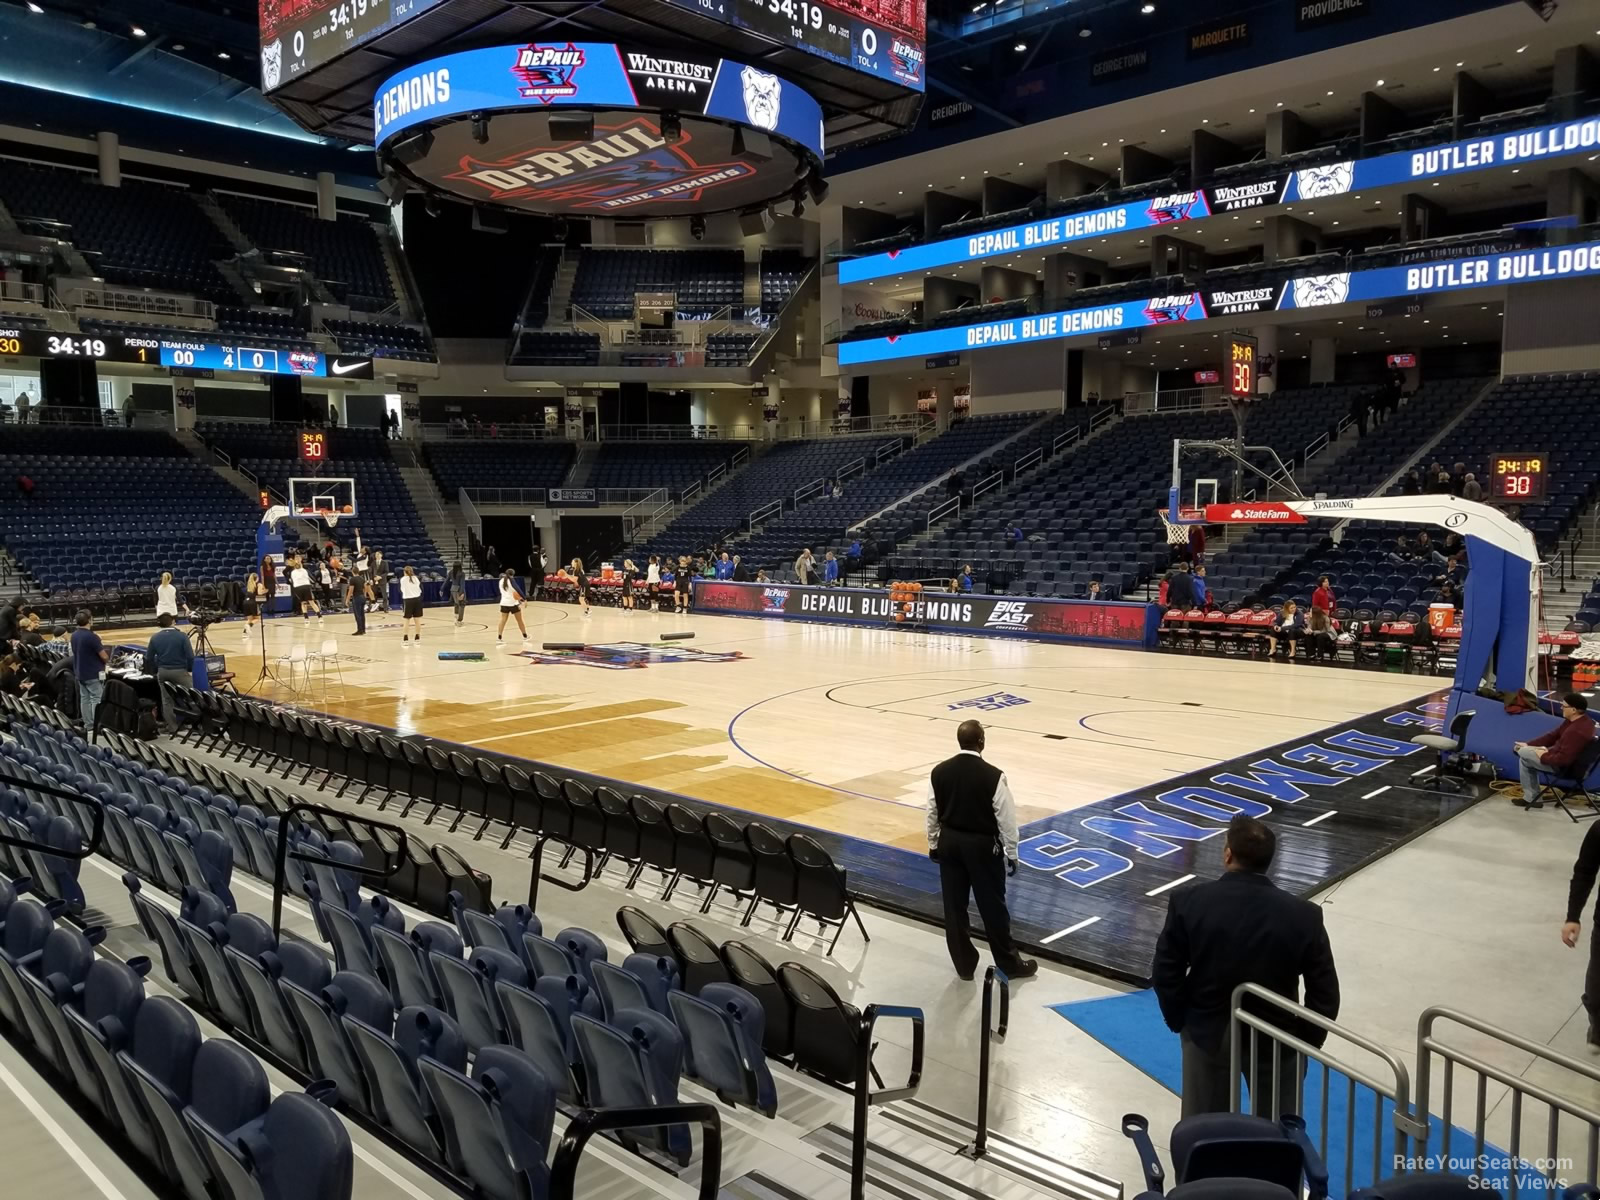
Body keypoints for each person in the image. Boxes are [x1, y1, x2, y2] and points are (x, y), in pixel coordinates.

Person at [1153, 815, 1340, 1118]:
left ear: (1227, 854)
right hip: (1276, 1038)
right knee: (1279, 1132)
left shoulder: (1189, 901)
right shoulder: (1304, 915)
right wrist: (1302, 1042)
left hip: (1207, 1033)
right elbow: (1325, 993)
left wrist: (1182, 1020)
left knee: (1205, 1130)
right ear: (1270, 861)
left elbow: (1165, 971)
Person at [926, 720, 1038, 981]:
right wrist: (1012, 852)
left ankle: (964, 966)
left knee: (954, 908)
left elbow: (932, 811)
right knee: (993, 906)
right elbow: (1006, 818)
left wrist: (933, 844)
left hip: (950, 842)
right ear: (981, 742)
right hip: (982, 846)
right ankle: (1009, 963)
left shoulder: (938, 771)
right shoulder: (994, 775)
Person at [1514, 693, 1597, 810]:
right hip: (1560, 759)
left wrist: (1543, 755)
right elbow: (1552, 736)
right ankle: (1532, 798)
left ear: (1573, 710)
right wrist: (1529, 744)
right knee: (1525, 759)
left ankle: (1532, 798)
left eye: (1564, 706)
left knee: (1521, 752)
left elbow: (1563, 760)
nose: (1561, 708)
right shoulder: (1581, 722)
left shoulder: (1576, 731)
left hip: (1565, 769)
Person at [1560, 819, 1600, 1049]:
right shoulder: (1599, 830)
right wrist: (1572, 917)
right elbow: (1584, 872)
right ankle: (1598, 1026)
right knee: (1596, 993)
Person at [143, 612, 195, 733]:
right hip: (181, 671)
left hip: (164, 671)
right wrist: (189, 669)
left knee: (167, 701)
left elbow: (149, 658)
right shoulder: (182, 636)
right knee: (192, 698)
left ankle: (172, 727)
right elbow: (190, 656)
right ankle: (197, 725)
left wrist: (156, 670)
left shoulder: (155, 637)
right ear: (173, 622)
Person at [70, 610, 108, 736]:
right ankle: (97, 725)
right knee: (96, 698)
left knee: (85, 699)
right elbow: (104, 656)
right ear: (90, 620)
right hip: (93, 672)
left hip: (80, 671)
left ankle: (89, 725)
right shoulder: (92, 637)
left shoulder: (74, 635)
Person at [497, 570, 529, 643]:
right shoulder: (511, 580)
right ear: (512, 575)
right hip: (513, 603)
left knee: (503, 620)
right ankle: (525, 636)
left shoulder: (500, 581)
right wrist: (524, 598)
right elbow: (517, 589)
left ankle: (499, 637)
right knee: (519, 620)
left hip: (504, 603)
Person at [288, 556, 322, 623]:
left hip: (306, 586)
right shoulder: (292, 572)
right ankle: (306, 618)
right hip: (297, 587)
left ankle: (319, 616)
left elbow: (312, 579)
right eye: (296, 559)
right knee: (303, 603)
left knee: (311, 602)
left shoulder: (305, 570)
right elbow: (291, 581)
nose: (297, 560)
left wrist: (311, 583)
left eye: (299, 559)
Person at [399, 565, 424, 641]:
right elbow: (420, 589)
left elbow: (402, 589)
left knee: (406, 619)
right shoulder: (416, 578)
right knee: (417, 620)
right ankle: (417, 637)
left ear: (404, 572)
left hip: (408, 600)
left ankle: (405, 637)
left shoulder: (403, 579)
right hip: (417, 599)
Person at [346, 569, 373, 636]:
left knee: (357, 615)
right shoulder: (362, 578)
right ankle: (363, 630)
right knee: (362, 614)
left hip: (357, 597)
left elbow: (351, 590)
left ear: (352, 572)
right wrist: (364, 596)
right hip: (362, 597)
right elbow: (365, 588)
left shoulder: (352, 579)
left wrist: (347, 599)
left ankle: (359, 630)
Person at [242, 571, 265, 642]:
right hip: (253, 602)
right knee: (257, 619)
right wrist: (265, 591)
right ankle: (249, 625)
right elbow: (260, 594)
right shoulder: (259, 584)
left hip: (245, 602)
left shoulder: (249, 585)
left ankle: (245, 632)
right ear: (257, 578)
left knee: (249, 619)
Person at [449, 560, 468, 624]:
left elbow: (446, 581)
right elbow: (462, 584)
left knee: (456, 604)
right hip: (459, 589)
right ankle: (459, 620)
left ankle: (455, 618)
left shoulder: (451, 572)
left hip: (453, 589)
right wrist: (461, 593)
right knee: (462, 604)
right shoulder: (461, 573)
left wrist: (442, 589)